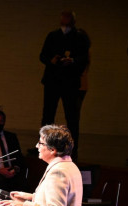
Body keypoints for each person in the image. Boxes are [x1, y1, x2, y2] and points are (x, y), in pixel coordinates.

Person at [39, 10, 90, 160]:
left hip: (70, 81)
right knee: (48, 115)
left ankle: (73, 148)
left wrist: (72, 61)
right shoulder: (53, 36)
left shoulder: (80, 37)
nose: (65, 22)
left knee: (72, 116)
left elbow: (84, 58)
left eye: (68, 20)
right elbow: (42, 55)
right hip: (53, 80)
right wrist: (51, 61)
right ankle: (44, 145)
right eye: (64, 19)